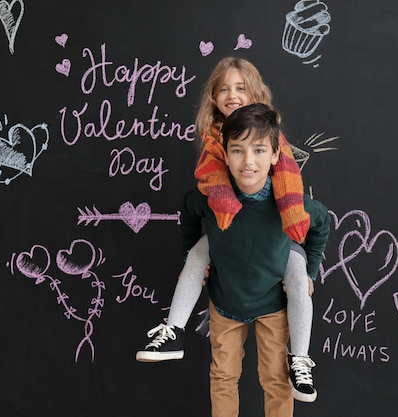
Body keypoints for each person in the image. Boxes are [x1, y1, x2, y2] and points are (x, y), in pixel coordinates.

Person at [136, 57, 321, 402]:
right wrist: (208, 242)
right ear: (213, 98)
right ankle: (173, 329)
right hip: (230, 229)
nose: (232, 95)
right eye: (224, 89)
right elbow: (202, 195)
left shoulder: (271, 136)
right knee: (194, 257)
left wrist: (309, 265)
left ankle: (300, 357)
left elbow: (292, 187)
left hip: (275, 227)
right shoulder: (213, 142)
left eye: (241, 88)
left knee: (297, 279)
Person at [187, 103, 330, 417]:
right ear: (224, 154)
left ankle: (301, 359)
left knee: (277, 378)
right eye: (237, 151)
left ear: (276, 155)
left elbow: (322, 223)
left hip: (272, 303)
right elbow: (189, 210)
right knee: (223, 377)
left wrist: (310, 271)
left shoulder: (290, 202)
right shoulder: (214, 197)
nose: (248, 161)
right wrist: (194, 255)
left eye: (259, 150)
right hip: (227, 301)